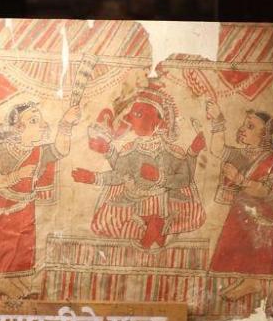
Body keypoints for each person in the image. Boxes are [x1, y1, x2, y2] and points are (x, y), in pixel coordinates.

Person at [72, 83, 207, 250]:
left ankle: (154, 229)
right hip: (134, 200)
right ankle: (152, 230)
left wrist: (161, 177)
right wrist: (94, 177)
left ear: (158, 122)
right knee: (100, 223)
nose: (129, 118)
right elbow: (119, 175)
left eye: (138, 113)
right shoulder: (130, 150)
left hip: (162, 201)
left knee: (193, 216)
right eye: (131, 114)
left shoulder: (170, 151)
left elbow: (185, 179)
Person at [0, 97, 80, 279]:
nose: (44, 125)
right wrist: (16, 176)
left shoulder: (40, 152)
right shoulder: (0, 150)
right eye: (34, 121)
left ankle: (12, 284)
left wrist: (66, 123)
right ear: (19, 127)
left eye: (41, 120)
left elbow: (61, 149)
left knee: (20, 256)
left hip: (24, 212)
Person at [207, 105, 273, 280]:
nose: (242, 129)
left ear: (265, 135)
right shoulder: (239, 153)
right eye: (244, 125)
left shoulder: (272, 160)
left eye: (250, 126)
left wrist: (239, 179)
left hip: (259, 218)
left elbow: (264, 190)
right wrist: (217, 120)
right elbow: (217, 149)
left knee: (253, 261)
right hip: (236, 214)